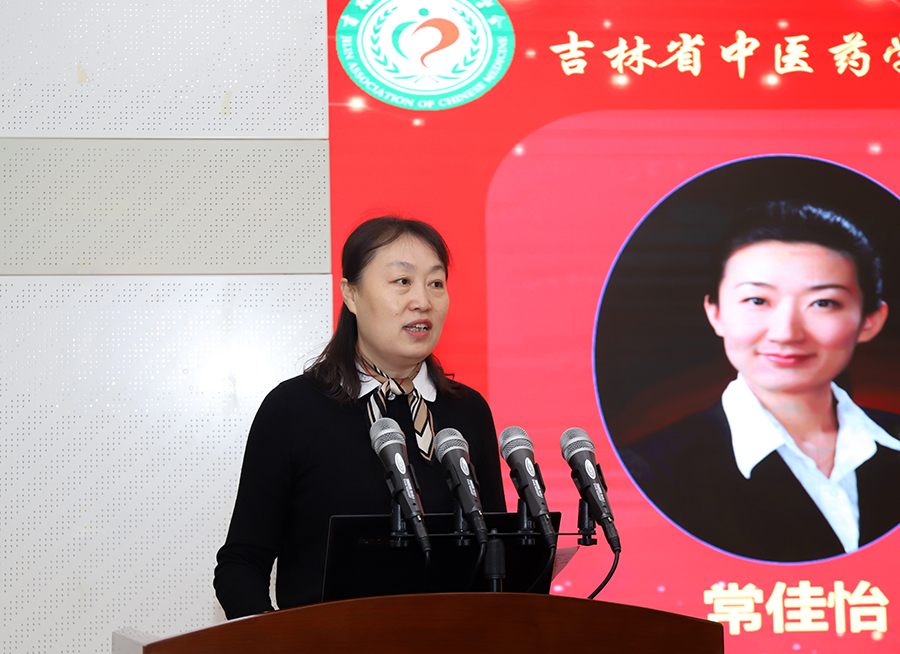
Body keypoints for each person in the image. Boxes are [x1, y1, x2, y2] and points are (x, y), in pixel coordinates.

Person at [214, 216, 506, 618]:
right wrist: (273, 642)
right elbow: (241, 564)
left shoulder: (468, 412)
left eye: (436, 283)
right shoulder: (293, 409)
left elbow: (498, 553)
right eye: (402, 281)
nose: (423, 300)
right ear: (350, 294)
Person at [621, 201, 900, 562]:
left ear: (870, 320)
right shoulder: (650, 472)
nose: (786, 333)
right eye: (757, 300)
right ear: (715, 313)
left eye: (823, 303)